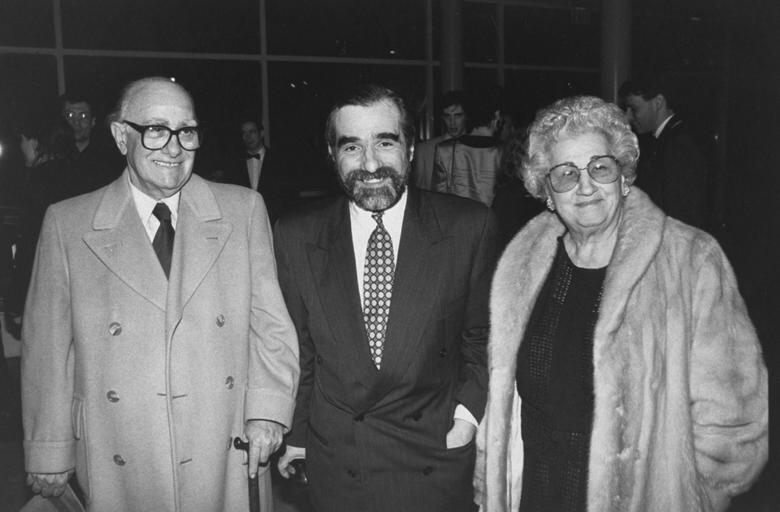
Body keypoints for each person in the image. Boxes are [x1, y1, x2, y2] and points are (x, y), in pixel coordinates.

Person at [474, 96, 767, 512]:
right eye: (566, 174)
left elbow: (735, 425)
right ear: (547, 193)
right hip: (537, 496)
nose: (586, 185)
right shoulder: (522, 267)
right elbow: (502, 406)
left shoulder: (690, 261)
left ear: (624, 176)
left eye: (600, 167)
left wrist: (690, 498)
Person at [21, 76, 300, 512]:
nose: (174, 148)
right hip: (120, 443)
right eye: (155, 130)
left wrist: (267, 412)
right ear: (120, 136)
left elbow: (271, 325)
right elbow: (47, 349)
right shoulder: (68, 223)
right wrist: (49, 448)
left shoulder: (242, 210)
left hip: (223, 442)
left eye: (186, 131)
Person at [274, 84, 498, 512]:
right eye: (352, 147)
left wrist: (466, 421)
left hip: (431, 457)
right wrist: (298, 438)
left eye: (385, 142)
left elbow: (482, 339)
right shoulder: (296, 234)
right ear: (332, 155)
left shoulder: (469, 227)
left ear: (411, 149)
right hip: (340, 466)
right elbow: (299, 351)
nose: (370, 163)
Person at [618, 74, 710, 228]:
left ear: (658, 102)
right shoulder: (666, 139)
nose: (628, 117)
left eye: (634, 109)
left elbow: (681, 215)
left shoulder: (678, 144)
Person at [218, 117, 293, 222]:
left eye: (252, 132)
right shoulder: (235, 164)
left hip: (273, 221)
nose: (248, 136)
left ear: (261, 133)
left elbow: (287, 195)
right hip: (244, 222)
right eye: (244, 133)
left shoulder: (279, 161)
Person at [432, 95, 502, 206]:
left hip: (457, 220)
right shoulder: (504, 152)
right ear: (496, 116)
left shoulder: (445, 150)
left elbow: (438, 199)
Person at [60, 92, 122, 195]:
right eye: (70, 115)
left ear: (93, 121)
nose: (76, 122)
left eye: (83, 116)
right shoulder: (53, 158)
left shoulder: (107, 161)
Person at [411, 90, 468, 191]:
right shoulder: (424, 151)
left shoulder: (477, 150)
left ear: (466, 117)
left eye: (458, 116)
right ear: (442, 118)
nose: (452, 122)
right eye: (447, 116)